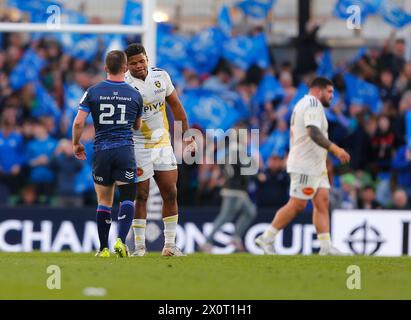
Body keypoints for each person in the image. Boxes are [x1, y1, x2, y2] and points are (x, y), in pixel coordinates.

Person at [255, 77, 351, 255]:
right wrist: (336, 149)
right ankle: (266, 238)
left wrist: (325, 159)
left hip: (316, 164)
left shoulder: (306, 104)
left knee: (322, 202)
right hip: (305, 165)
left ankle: (326, 247)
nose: (332, 97)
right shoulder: (313, 103)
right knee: (297, 204)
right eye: (329, 92)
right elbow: (313, 132)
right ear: (318, 90)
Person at [124, 43, 196, 257]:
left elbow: (176, 106)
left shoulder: (161, 77)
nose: (139, 66)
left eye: (141, 61)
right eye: (133, 63)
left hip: (162, 142)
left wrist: (187, 134)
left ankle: (170, 245)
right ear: (127, 66)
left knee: (170, 192)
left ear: (147, 59)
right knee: (141, 195)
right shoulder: (125, 85)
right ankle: (139, 247)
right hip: (136, 144)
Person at [72, 50, 143, 258]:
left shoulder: (93, 91)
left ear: (105, 68)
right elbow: (137, 126)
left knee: (104, 201)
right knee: (128, 198)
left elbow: (78, 122)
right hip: (124, 151)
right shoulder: (135, 94)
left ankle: (103, 249)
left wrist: (76, 143)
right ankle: (121, 240)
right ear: (126, 68)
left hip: (102, 151)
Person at [201, 125, 257, 253]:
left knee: (249, 212)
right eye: (246, 136)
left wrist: (225, 176)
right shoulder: (240, 151)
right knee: (225, 216)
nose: (248, 139)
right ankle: (208, 241)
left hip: (235, 189)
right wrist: (257, 173)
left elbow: (221, 163)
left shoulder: (230, 151)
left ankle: (235, 237)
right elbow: (249, 170)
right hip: (235, 190)